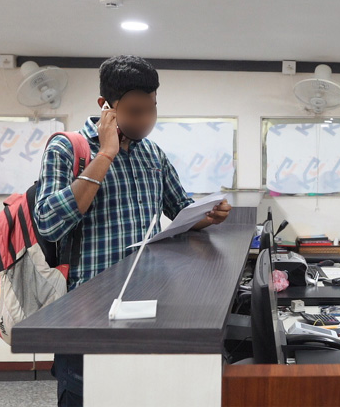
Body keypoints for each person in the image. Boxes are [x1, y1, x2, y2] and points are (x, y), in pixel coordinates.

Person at [34, 55, 232, 406]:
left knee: (141, 394)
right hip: (87, 313)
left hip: (146, 304)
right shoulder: (67, 148)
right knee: (86, 396)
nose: (146, 121)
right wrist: (106, 153)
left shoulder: (152, 154)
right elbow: (49, 223)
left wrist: (209, 214)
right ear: (105, 107)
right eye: (135, 111)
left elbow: (180, 209)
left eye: (152, 109)